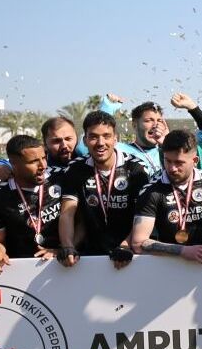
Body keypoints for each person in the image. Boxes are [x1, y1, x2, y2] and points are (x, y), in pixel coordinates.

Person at [57, 111, 149, 268]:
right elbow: (67, 212)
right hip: (89, 256)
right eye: (93, 137)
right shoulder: (75, 169)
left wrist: (125, 246)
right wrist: (68, 247)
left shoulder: (136, 169)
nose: (100, 143)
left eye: (106, 136)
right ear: (85, 140)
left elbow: (142, 216)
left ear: (115, 139)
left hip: (128, 253)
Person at [130, 129, 202, 263]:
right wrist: (182, 251)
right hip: (169, 265)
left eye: (179, 162)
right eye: (168, 161)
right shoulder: (151, 191)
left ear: (195, 160)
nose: (172, 168)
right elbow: (138, 243)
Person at [0, 135, 64, 274]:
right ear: (14, 164)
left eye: (44, 158)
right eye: (33, 161)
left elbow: (80, 222)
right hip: (22, 273)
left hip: (64, 265)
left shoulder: (61, 178)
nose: (43, 166)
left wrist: (64, 249)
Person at [126, 101, 168, 177]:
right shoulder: (122, 150)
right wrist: (108, 105)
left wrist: (166, 144)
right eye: (149, 120)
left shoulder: (168, 151)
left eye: (159, 121)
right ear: (135, 125)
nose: (155, 125)